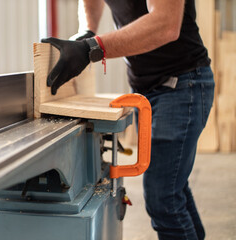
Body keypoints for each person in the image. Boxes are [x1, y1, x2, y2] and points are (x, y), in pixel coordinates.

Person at [41, 0, 214, 239]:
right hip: (150, 89)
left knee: (163, 200)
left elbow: (166, 24)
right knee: (174, 188)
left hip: (182, 83)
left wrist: (93, 47)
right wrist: (88, 30)